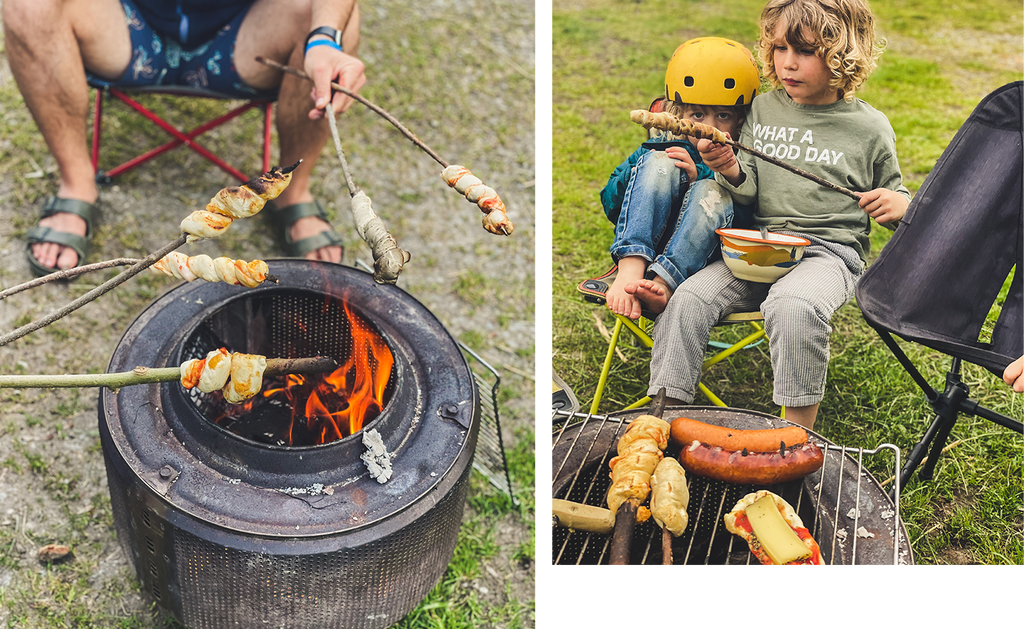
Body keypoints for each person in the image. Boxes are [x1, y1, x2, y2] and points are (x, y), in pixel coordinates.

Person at [635, 0, 910, 429]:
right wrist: (727, 166)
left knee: (794, 305)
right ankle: (665, 418)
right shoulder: (764, 110)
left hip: (828, 254)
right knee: (687, 300)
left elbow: (896, 196)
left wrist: (897, 206)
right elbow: (749, 191)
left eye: (803, 51)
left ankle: (794, 435)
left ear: (841, 54)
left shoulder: (870, 128)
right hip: (757, 246)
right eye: (780, 49)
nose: (787, 63)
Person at [3, 0, 367, 276]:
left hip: (245, 34)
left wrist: (323, 38)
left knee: (334, 22)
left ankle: (293, 191)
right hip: (127, 24)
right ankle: (77, 185)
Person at [600, 37, 759, 321]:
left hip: (703, 256)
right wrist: (648, 160)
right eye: (697, 114)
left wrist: (704, 175)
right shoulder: (664, 142)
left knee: (710, 190)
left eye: (723, 115)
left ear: (740, 120)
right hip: (650, 243)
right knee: (662, 162)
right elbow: (611, 201)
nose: (708, 127)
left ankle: (662, 284)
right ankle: (631, 263)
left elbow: (751, 217)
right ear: (677, 113)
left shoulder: (743, 159)